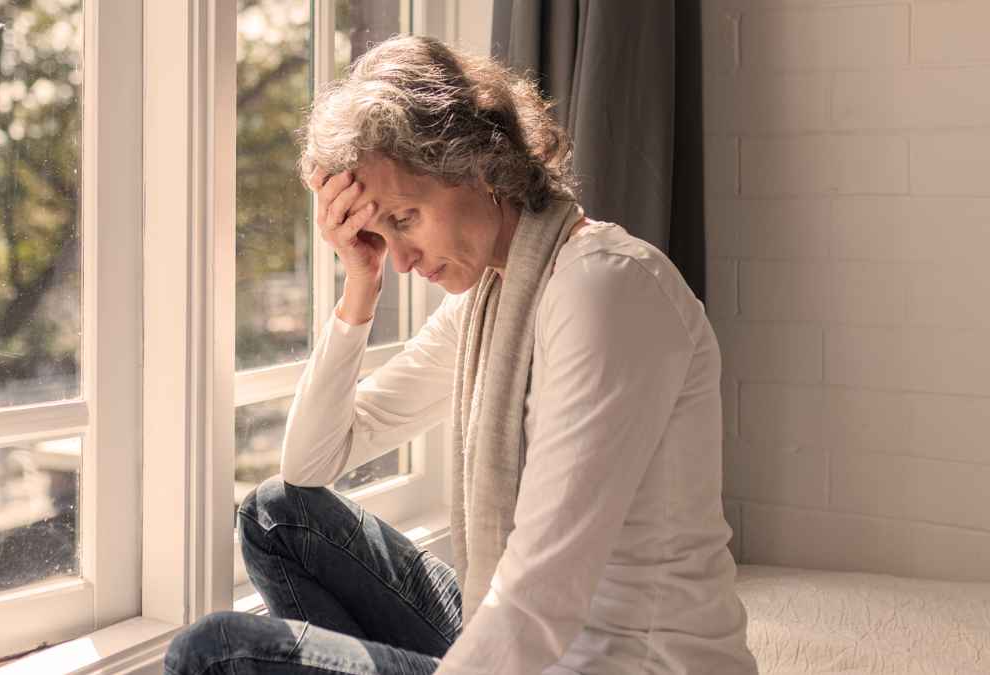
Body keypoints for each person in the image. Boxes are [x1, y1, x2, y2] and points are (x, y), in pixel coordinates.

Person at [165, 35, 757, 675]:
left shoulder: (603, 289)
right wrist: (359, 281)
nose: (403, 258)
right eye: (380, 231)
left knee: (214, 654)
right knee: (278, 516)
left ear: (476, 166)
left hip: (618, 662)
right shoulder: (495, 298)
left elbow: (538, 594)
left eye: (406, 217)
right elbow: (312, 462)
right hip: (533, 635)